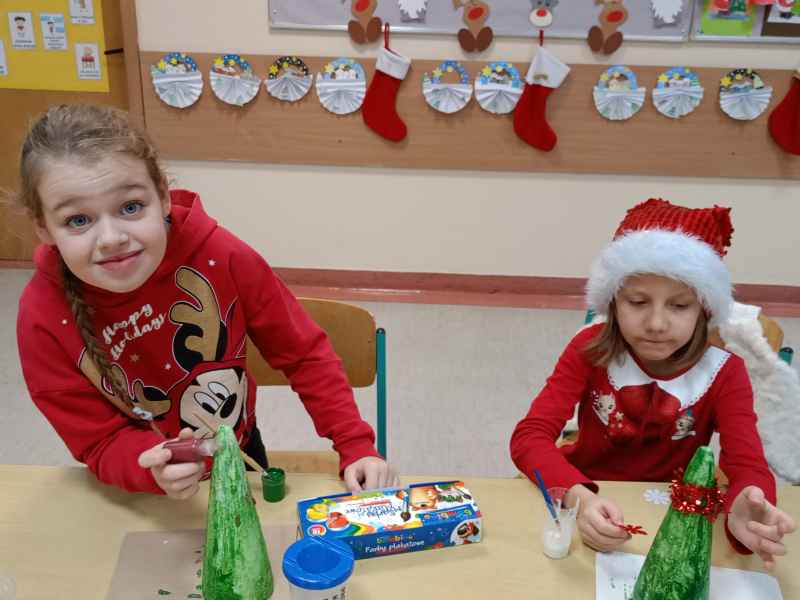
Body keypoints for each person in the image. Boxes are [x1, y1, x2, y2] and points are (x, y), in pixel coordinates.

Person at [15, 104, 396, 499]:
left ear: (163, 196)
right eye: (78, 220)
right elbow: (97, 440)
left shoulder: (222, 256)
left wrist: (355, 445)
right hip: (139, 482)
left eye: (131, 207)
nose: (112, 238)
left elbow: (304, 355)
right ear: (43, 227)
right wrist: (150, 469)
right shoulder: (41, 318)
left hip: (240, 454)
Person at [510, 198, 795, 568]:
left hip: (675, 506)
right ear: (613, 302)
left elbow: (748, 463)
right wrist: (580, 498)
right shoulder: (588, 349)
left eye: (679, 306)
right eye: (638, 301)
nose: (657, 324)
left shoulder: (727, 372)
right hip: (588, 487)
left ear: (704, 309)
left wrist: (745, 503)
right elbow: (529, 437)